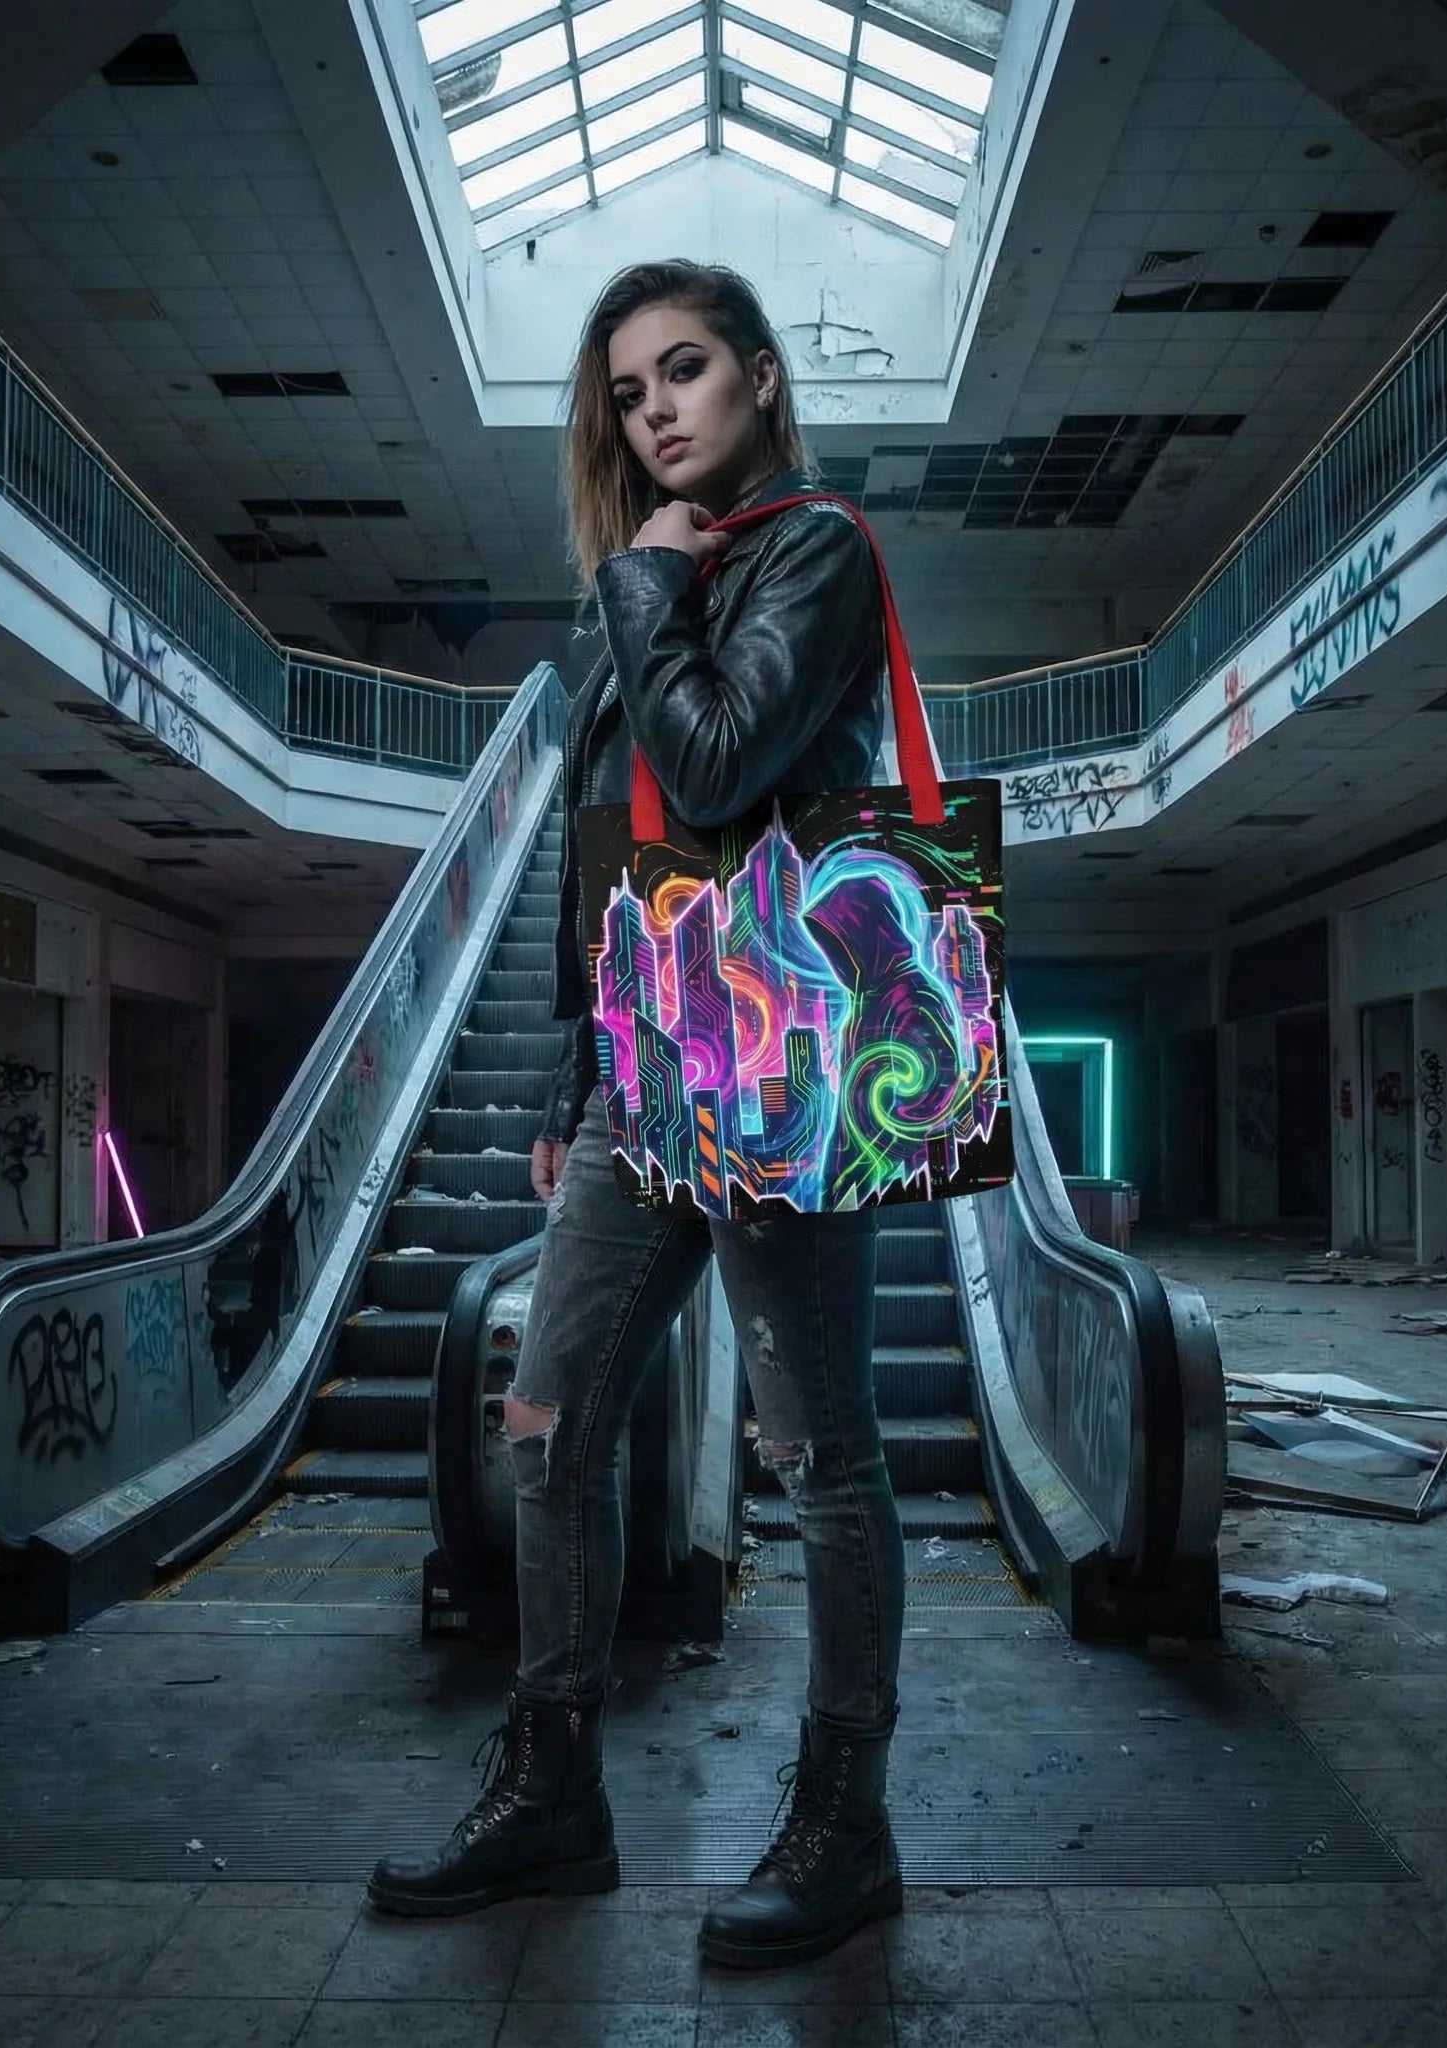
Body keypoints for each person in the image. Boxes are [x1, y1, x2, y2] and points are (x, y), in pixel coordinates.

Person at [367, 260, 904, 1970]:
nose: (656, 407)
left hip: (777, 1050)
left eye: (685, 371)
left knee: (821, 1460)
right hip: (645, 1061)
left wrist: (648, 605)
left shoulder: (804, 553)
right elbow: (608, 855)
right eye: (626, 390)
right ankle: (554, 1788)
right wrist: (566, 1076)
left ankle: (846, 1818)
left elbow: (729, 764)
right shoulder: (648, 581)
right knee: (549, 1424)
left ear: (757, 377)